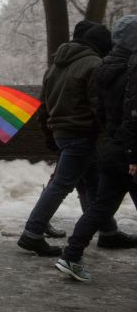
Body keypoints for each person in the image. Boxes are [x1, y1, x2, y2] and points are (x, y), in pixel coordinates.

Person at [18, 20, 137, 256]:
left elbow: (44, 105)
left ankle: (108, 231)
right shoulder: (93, 64)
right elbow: (98, 105)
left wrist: (50, 135)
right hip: (82, 132)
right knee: (62, 184)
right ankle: (32, 232)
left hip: (62, 131)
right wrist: (109, 134)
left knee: (93, 183)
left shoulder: (55, 66)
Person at [56, 15, 137, 281]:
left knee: (99, 207)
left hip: (112, 146)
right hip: (129, 150)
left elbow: (100, 111)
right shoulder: (132, 68)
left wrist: (113, 138)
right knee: (98, 206)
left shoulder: (104, 68)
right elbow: (133, 114)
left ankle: (71, 255)